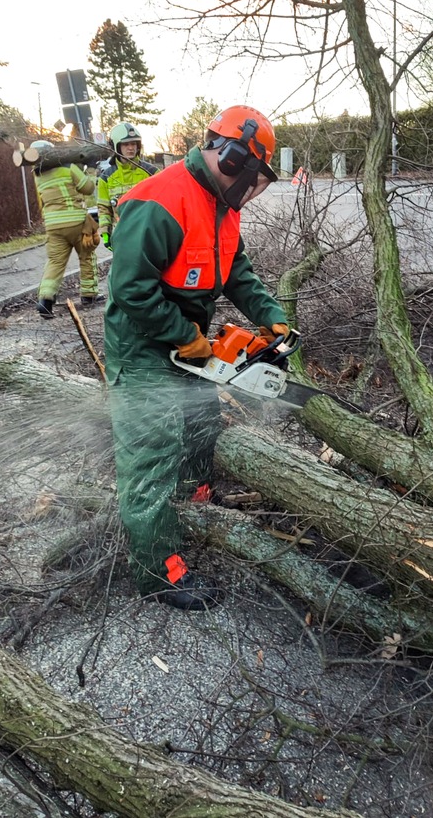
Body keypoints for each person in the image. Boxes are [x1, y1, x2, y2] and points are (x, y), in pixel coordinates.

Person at [104, 105, 290, 610]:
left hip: (188, 343)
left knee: (202, 418)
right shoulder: (157, 199)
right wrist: (181, 335)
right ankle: (157, 572)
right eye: (250, 177)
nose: (250, 190)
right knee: (151, 454)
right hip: (143, 347)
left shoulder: (223, 209)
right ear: (231, 158)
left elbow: (238, 272)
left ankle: (194, 502)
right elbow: (129, 289)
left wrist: (270, 316)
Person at [31, 140, 104, 319]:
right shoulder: (68, 168)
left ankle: (45, 300)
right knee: (87, 255)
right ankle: (89, 295)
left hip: (53, 225)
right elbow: (87, 188)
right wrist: (91, 169)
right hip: (75, 222)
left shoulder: (37, 175)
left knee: (55, 262)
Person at [97, 123, 158, 250]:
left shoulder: (152, 173)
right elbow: (104, 208)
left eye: (134, 144)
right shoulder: (107, 178)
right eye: (126, 144)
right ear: (116, 146)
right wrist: (105, 233)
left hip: (149, 236)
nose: (131, 148)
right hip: (122, 236)